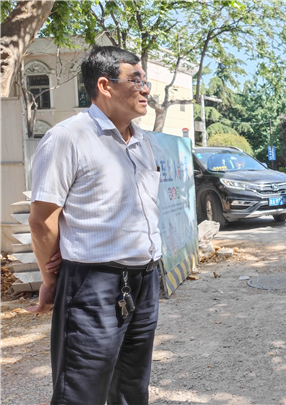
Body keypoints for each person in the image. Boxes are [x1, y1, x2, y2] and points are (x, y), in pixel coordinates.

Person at [28, 45, 162, 405]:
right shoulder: (69, 137)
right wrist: (51, 280)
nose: (145, 89)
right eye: (136, 80)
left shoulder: (142, 141)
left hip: (145, 280)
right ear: (105, 85)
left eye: (146, 81)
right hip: (94, 285)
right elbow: (42, 220)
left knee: (132, 389)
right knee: (81, 392)